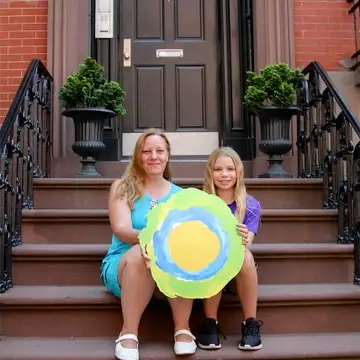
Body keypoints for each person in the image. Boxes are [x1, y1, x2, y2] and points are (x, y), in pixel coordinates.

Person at [100, 128, 197, 360]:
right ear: (138, 156)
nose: (153, 156)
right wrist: (155, 239)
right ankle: (129, 333)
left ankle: (182, 329)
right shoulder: (123, 187)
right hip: (126, 263)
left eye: (159, 151)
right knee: (140, 253)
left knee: (182, 254)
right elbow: (122, 229)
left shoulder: (181, 196)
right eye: (146, 151)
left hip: (166, 263)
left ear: (167, 155)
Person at [197, 146, 263, 351]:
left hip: (238, 269)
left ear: (238, 172)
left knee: (245, 256)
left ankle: (250, 323)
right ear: (210, 172)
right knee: (213, 254)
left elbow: (248, 242)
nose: (224, 175)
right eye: (218, 169)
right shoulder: (200, 203)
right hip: (207, 266)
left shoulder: (250, 205)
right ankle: (210, 324)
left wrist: (243, 236)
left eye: (230, 169)